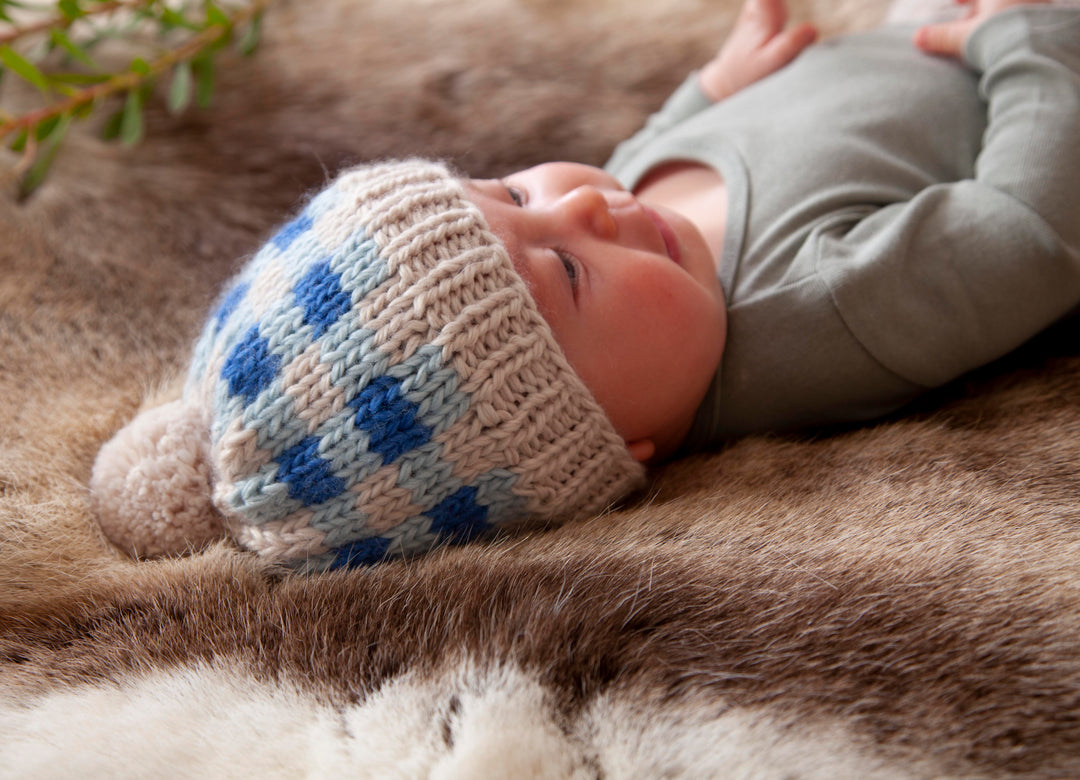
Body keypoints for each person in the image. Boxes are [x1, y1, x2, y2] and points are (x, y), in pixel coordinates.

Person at [91, 0, 1080, 569]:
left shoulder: (638, 257)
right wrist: (1027, 47)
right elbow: (1032, 230)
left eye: (512, 188)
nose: (584, 206)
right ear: (614, 443)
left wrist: (720, 90)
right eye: (564, 271)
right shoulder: (817, 314)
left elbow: (647, 155)